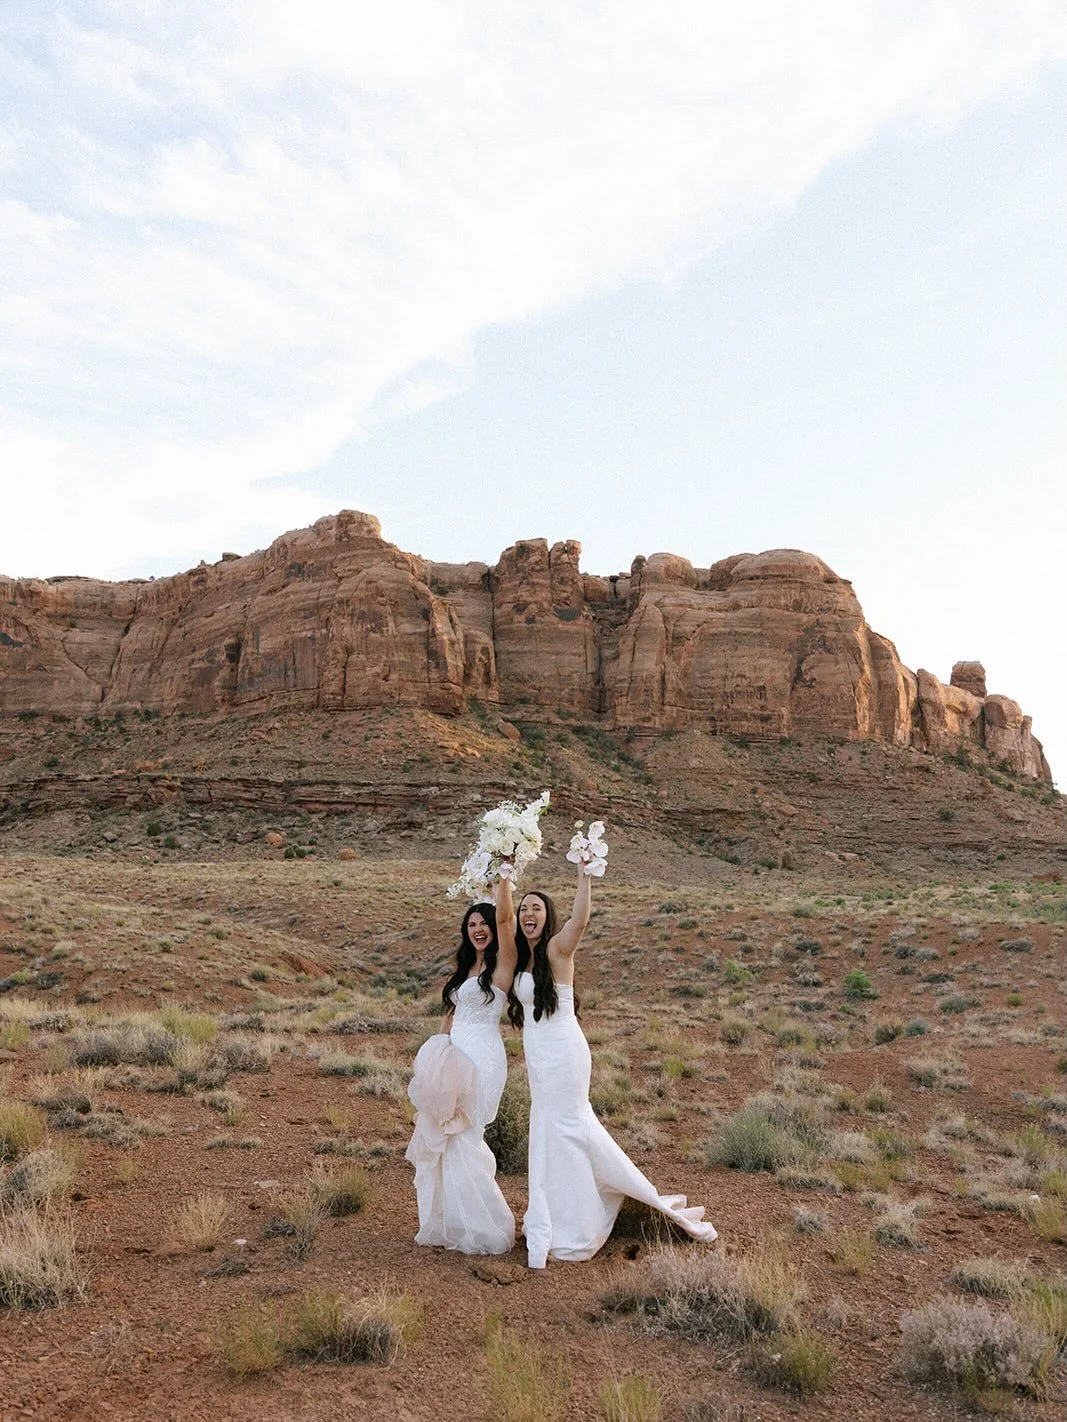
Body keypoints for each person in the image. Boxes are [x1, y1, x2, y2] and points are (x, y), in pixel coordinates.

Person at [504, 865, 717, 1269]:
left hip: (564, 1053)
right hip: (539, 1057)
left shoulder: (556, 950)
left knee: (568, 1127)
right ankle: (559, 1214)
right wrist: (501, 880)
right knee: (550, 1131)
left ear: (547, 916)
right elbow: (500, 922)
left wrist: (584, 875)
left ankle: (578, 1223)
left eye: (536, 908)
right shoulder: (521, 961)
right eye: (523, 909)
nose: (528, 914)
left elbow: (580, 921)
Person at [405, 882, 517, 1255]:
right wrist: (434, 1056)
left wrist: (503, 877)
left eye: (484, 923)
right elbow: (451, 1014)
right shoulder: (466, 966)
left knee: (466, 1135)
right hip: (452, 1058)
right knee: (446, 1134)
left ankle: (486, 1226)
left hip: (483, 1058)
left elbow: (507, 920)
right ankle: (452, 1222)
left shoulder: (504, 964)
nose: (478, 929)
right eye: (471, 924)